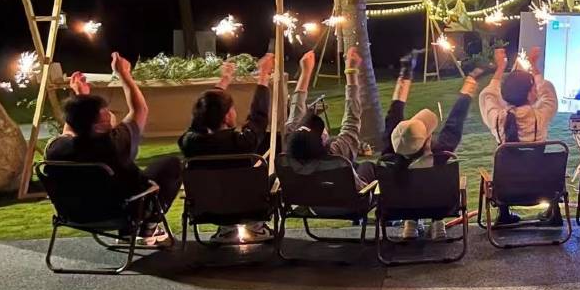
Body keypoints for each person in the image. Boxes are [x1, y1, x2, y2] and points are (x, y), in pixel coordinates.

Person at [45, 53, 181, 246]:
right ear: (98, 127)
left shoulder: (55, 149)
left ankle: (130, 231)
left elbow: (70, 129)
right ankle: (147, 228)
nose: (110, 117)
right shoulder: (114, 144)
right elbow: (139, 110)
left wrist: (81, 98)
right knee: (171, 165)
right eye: (106, 117)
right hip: (121, 213)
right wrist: (124, 74)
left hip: (75, 215)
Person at [378, 50, 484, 240]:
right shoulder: (441, 153)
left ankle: (410, 223)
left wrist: (405, 74)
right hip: (440, 206)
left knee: (413, 190)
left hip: (402, 207)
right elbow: (455, 119)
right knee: (435, 185)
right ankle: (437, 222)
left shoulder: (389, 154)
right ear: (427, 139)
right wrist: (471, 81)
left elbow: (393, 113)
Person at [178, 51, 276, 243]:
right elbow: (258, 117)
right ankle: (256, 227)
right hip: (247, 208)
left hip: (208, 210)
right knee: (275, 174)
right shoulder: (242, 142)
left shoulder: (190, 143)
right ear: (226, 116)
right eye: (231, 108)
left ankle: (227, 230)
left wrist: (223, 82)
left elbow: (198, 121)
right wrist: (263, 77)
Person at [478, 46, 560, 225]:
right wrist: (534, 67)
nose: (536, 90)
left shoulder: (498, 119)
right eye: (533, 89)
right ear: (529, 94)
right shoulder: (540, 116)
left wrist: (500, 68)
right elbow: (548, 94)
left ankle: (504, 214)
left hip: (506, 191)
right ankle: (554, 213)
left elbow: (487, 96)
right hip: (541, 188)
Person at [283, 45, 375, 183]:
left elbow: (295, 114)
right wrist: (351, 72)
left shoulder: (289, 151)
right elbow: (352, 121)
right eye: (323, 132)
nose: (325, 131)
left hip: (306, 191)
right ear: (322, 142)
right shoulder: (336, 155)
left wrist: (305, 73)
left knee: (355, 165)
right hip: (345, 193)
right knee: (367, 166)